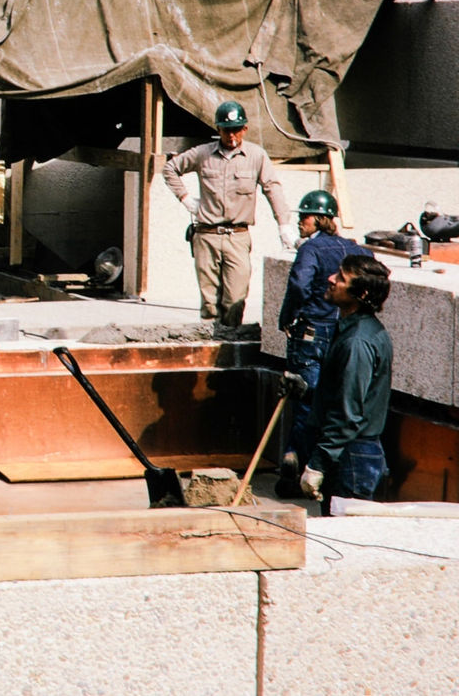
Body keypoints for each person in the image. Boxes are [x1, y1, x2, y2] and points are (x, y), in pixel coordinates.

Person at [274, 189, 373, 497]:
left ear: (320, 219)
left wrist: (287, 317)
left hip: (312, 332)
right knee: (332, 399)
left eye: (304, 216)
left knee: (306, 399)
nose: (300, 222)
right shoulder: (355, 249)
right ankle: (319, 468)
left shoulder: (310, 249)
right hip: (342, 331)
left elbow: (299, 285)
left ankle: (295, 461)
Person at [162, 99, 296, 326]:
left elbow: (272, 188)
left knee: (235, 298)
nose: (231, 136)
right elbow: (170, 168)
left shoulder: (256, 156)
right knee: (209, 303)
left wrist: (283, 224)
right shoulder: (203, 154)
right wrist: (185, 198)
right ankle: (211, 341)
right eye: (226, 131)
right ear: (218, 129)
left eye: (236, 130)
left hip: (238, 237)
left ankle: (231, 338)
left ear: (245, 129)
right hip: (207, 235)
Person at [299, 255, 393, 514]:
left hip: (351, 455)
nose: (331, 279)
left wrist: (317, 464)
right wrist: (306, 391)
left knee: (342, 533)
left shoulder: (356, 342)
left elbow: (347, 413)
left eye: (341, 278)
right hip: (353, 452)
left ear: (361, 294)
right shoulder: (359, 331)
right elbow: (347, 394)